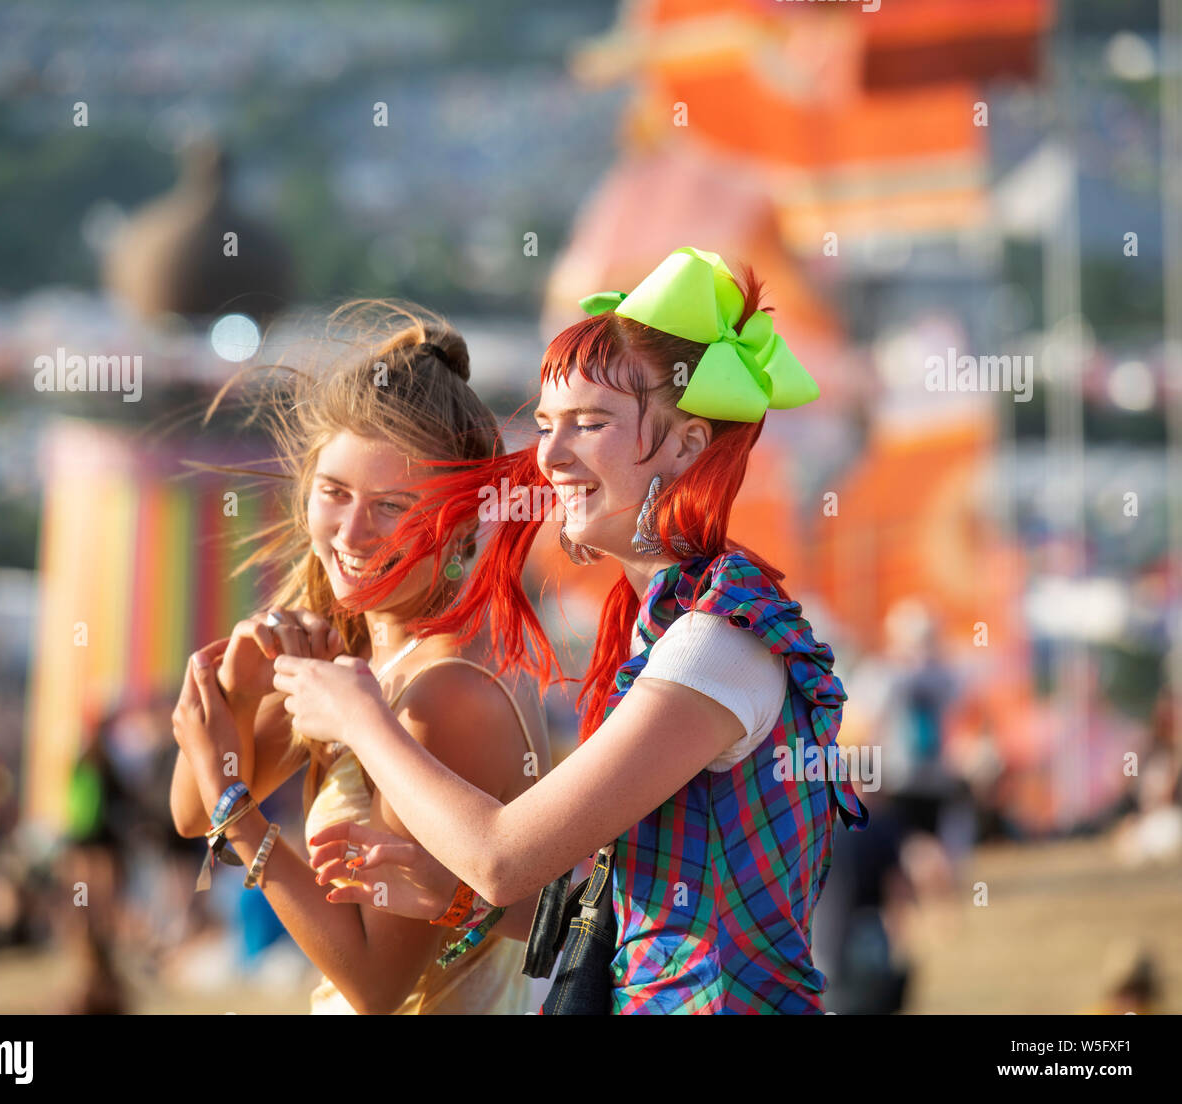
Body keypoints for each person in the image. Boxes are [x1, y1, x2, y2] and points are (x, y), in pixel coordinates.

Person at [272, 248, 871, 1013]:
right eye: (548, 424)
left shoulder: (715, 643)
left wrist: (360, 715)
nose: (551, 457)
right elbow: (623, 912)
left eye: (590, 424)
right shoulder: (676, 629)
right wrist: (459, 904)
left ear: (690, 442)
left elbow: (499, 857)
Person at [169, 303, 551, 1014]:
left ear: (460, 524)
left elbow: (380, 983)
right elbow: (190, 815)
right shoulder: (358, 657)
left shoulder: (444, 695)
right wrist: (241, 696)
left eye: (392, 508)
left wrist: (238, 811)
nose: (351, 531)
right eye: (335, 494)